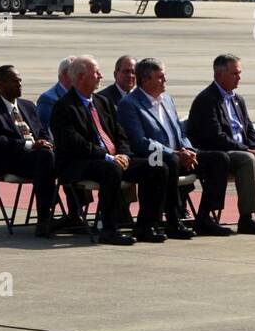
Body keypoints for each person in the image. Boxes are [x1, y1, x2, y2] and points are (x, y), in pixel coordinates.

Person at [49, 55, 167, 245]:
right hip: (80, 163)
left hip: (113, 159)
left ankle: (146, 225)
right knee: (111, 170)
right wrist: (107, 157)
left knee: (157, 166)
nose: (100, 76)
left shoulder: (102, 102)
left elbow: (120, 133)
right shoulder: (64, 107)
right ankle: (110, 229)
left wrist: (125, 154)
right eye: (95, 73)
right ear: (80, 78)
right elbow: (75, 144)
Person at [118, 58, 234, 234]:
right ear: (145, 80)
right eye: (160, 77)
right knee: (170, 160)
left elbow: (180, 132)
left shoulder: (167, 100)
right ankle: (173, 219)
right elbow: (139, 141)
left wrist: (188, 150)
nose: (165, 81)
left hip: (180, 154)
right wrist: (174, 153)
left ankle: (204, 217)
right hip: (153, 157)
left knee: (219, 159)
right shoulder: (130, 104)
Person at [187, 54, 255, 232]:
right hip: (220, 153)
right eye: (235, 73)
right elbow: (216, 137)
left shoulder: (238, 99)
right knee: (247, 160)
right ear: (220, 75)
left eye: (239, 73)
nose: (239, 77)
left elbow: (250, 129)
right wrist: (250, 152)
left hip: (242, 150)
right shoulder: (207, 100)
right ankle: (246, 218)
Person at [0, 65, 59, 238]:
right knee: (45, 158)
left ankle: (73, 214)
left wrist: (46, 142)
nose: (19, 84)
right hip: (9, 161)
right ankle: (44, 218)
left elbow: (42, 131)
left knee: (66, 156)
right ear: (0, 85)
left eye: (20, 80)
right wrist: (29, 146)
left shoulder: (28, 106)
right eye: (14, 81)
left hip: (38, 158)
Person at [36, 55, 77, 130]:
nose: (83, 77)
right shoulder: (48, 100)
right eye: (78, 73)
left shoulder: (83, 97)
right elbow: (45, 131)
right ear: (65, 74)